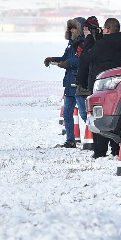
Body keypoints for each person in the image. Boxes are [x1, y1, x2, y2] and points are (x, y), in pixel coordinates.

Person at [79, 18, 121, 156]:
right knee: (115, 115)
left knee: (99, 117)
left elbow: (86, 57)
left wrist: (90, 38)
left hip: (101, 84)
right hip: (117, 84)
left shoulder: (102, 44)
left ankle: (100, 151)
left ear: (107, 29)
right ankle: (116, 148)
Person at [44, 18, 86, 147]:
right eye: (70, 28)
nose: (71, 30)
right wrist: (53, 59)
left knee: (84, 114)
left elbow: (82, 60)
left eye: (73, 28)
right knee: (67, 113)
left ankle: (95, 140)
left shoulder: (83, 44)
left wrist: (67, 63)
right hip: (69, 84)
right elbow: (65, 58)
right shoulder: (70, 44)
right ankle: (70, 140)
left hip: (78, 83)